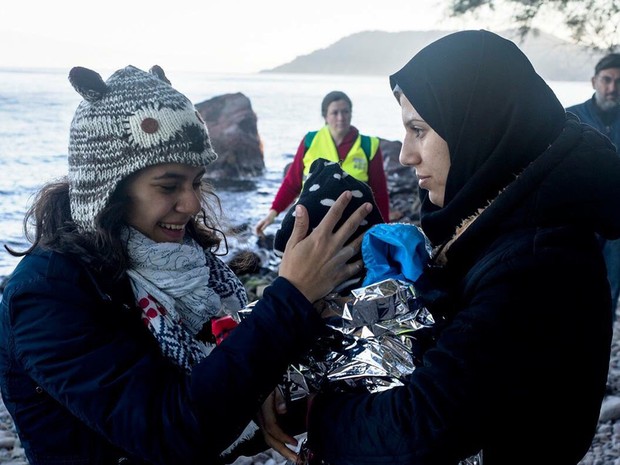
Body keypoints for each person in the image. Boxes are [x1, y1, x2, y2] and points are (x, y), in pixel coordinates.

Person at [0, 64, 373, 465]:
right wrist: (291, 296)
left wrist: (268, 385)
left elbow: (222, 385)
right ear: (107, 187)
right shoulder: (47, 293)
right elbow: (169, 432)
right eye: (168, 185)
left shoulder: (178, 259)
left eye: (196, 182)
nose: (192, 203)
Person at [279, 30, 617, 465]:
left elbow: (417, 431)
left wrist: (318, 411)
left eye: (419, 130)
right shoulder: (491, 218)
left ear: (476, 126)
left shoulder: (536, 263)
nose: (404, 155)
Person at [254, 90, 390, 236]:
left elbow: (380, 193)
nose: (341, 117)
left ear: (351, 113)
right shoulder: (310, 141)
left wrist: (385, 230)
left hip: (353, 228)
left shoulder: (368, 145)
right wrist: (272, 214)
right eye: (335, 112)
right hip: (310, 226)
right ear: (325, 116)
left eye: (345, 111)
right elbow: (292, 183)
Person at [566, 53, 620, 320]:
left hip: (616, 230)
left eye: (619, 82)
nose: (612, 88)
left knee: (607, 294)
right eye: (607, 80)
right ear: (594, 81)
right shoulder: (568, 119)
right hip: (574, 221)